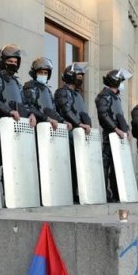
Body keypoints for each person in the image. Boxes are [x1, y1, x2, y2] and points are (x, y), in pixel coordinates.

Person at [0, 43, 36, 169]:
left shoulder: (16, 82)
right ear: (2, 61)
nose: (13, 64)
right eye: (10, 61)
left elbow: (24, 103)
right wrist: (9, 111)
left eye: (15, 62)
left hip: (14, 129)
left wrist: (30, 114)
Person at [54, 62, 92, 203]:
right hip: (67, 133)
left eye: (82, 75)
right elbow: (66, 110)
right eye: (79, 75)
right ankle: (68, 192)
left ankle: (77, 192)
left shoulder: (78, 94)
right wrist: (79, 124)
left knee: (78, 163)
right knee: (69, 163)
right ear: (71, 76)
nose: (81, 78)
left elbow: (83, 112)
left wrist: (88, 124)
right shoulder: (62, 92)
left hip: (79, 133)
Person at [95, 68, 132, 202]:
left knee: (117, 166)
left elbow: (120, 115)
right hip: (109, 136)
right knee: (106, 165)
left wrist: (127, 129)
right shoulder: (104, 95)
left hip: (119, 136)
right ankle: (105, 194)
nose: (122, 83)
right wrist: (115, 129)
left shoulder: (116, 97)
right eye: (121, 81)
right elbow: (103, 115)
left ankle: (117, 194)